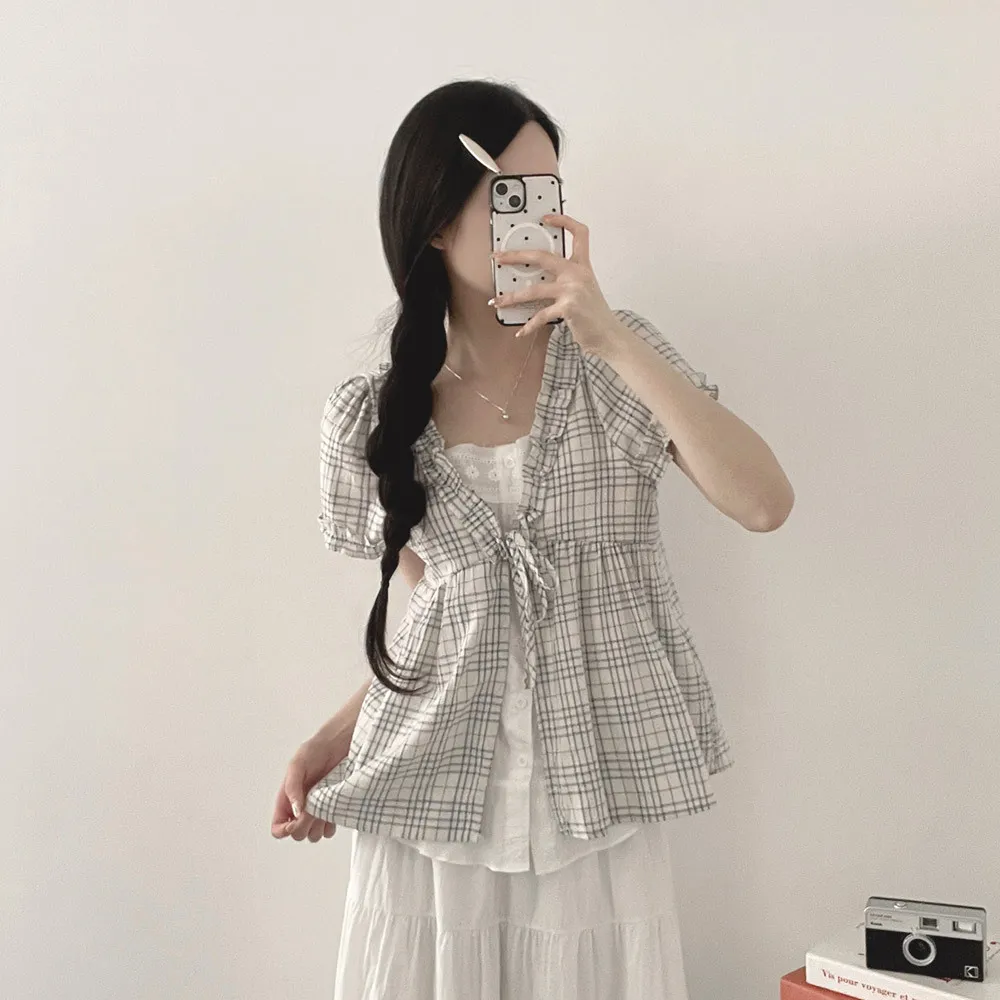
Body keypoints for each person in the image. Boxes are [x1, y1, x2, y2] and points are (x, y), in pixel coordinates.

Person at [271, 79, 794, 999]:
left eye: (553, 193)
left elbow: (763, 503)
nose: (543, 221)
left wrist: (609, 336)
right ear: (439, 221)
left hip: (596, 796)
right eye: (515, 194)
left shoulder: (617, 363)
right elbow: (455, 626)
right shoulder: (374, 416)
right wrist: (335, 737)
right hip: (435, 817)